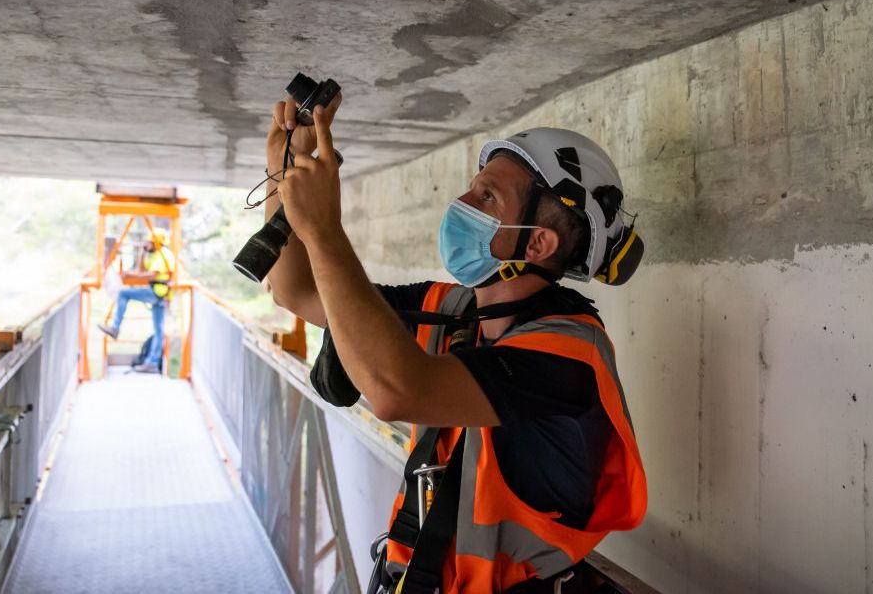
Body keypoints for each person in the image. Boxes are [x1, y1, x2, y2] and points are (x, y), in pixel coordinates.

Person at [268, 93, 647, 594]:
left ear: (536, 243)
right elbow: (297, 291)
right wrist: (283, 173)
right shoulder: (455, 310)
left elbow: (396, 391)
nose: (462, 204)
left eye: (487, 197)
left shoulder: (570, 355)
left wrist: (324, 229)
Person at [98, 231, 175, 374]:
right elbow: (142, 270)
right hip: (158, 293)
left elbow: (150, 275)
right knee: (159, 330)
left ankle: (115, 327)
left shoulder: (164, 254)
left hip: (158, 292)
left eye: (149, 242)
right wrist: (142, 252)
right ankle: (151, 363)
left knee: (123, 294)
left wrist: (133, 275)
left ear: (156, 242)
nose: (146, 244)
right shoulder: (154, 254)